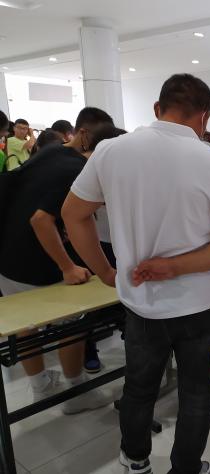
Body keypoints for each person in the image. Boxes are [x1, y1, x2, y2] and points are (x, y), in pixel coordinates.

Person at [62, 73, 210, 474]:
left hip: (141, 302)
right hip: (202, 304)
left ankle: (135, 460)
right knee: (197, 393)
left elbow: (73, 215)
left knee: (139, 387)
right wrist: (175, 266)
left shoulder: (110, 151)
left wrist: (104, 271)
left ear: (156, 108)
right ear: (205, 117)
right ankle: (186, 468)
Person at [0, 107, 115, 413]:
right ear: (86, 139)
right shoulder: (76, 169)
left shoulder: (50, 151)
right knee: (74, 324)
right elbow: (41, 220)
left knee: (26, 325)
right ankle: (75, 394)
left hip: (8, 256)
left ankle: (40, 387)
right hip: (38, 261)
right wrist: (68, 267)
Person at [82, 124, 128, 374]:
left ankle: (131, 339)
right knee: (92, 304)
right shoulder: (89, 169)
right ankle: (88, 349)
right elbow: (75, 215)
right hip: (99, 245)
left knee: (127, 300)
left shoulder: (128, 170)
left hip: (124, 244)